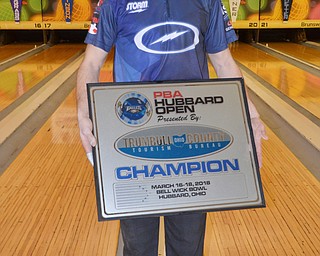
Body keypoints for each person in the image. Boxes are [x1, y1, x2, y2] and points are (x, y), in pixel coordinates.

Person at [77, 0, 267, 255]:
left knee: (188, 245)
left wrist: (251, 115)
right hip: (133, 136)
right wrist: (83, 111)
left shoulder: (207, 2)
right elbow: (91, 63)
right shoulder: (113, 2)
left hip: (191, 138)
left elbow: (224, 63)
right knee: (138, 246)